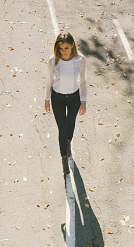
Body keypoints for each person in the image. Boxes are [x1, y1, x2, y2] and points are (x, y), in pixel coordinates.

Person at [45, 32, 87, 175]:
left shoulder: (80, 60)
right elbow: (49, 80)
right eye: (61, 48)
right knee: (62, 128)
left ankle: (68, 141)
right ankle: (64, 156)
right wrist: (46, 100)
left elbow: (82, 81)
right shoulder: (53, 60)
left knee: (71, 122)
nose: (63, 51)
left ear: (72, 46)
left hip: (74, 98)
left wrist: (83, 101)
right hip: (57, 98)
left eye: (66, 48)